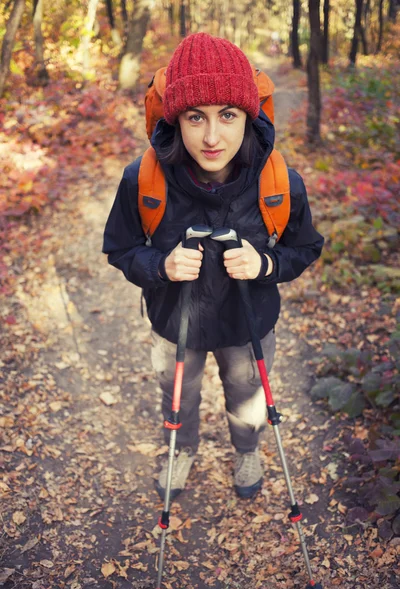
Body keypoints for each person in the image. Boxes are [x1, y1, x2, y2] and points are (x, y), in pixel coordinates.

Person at [102, 32, 324, 501]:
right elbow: (120, 248)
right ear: (175, 117)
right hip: (173, 322)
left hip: (249, 323)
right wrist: (161, 265)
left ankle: (247, 449)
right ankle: (181, 450)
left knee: (247, 399)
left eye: (228, 115)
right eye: (194, 116)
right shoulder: (142, 178)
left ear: (248, 115)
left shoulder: (279, 179)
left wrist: (264, 264)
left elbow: (304, 248)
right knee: (178, 396)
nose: (210, 136)